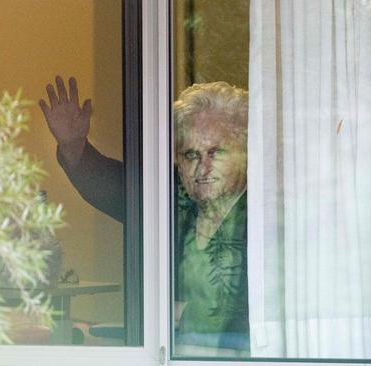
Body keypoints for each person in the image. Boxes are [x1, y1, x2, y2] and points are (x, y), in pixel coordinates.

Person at [39, 78, 249, 352]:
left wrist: (178, 314)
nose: (203, 168)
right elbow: (113, 186)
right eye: (191, 155)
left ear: (244, 152)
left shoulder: (264, 214)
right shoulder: (169, 197)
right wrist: (74, 146)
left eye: (216, 152)